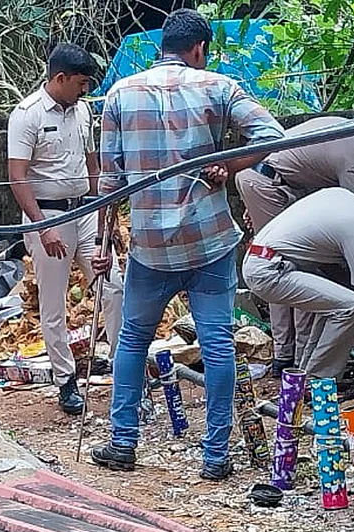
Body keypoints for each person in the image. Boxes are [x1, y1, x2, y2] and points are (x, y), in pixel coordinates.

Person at [93, 9, 285, 479]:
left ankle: (123, 442)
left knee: (133, 340)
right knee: (218, 344)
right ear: (198, 49)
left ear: (163, 45)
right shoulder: (218, 87)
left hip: (150, 245)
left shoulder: (119, 94)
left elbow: (109, 181)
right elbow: (272, 134)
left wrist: (105, 241)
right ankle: (215, 456)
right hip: (210, 239)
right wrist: (234, 166)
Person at [236, 120, 354, 376]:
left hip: (265, 246)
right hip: (269, 256)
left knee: (328, 294)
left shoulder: (344, 197)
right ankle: (310, 376)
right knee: (353, 305)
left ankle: (301, 368)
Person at [7, 43, 123, 415]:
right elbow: (16, 177)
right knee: (53, 302)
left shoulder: (85, 111)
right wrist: (43, 227)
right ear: (60, 78)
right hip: (49, 215)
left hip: (86, 211)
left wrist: (108, 218)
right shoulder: (27, 115)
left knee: (114, 286)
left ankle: (125, 369)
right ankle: (65, 379)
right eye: (80, 83)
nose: (84, 90)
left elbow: (95, 167)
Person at [242, 188, 354, 386]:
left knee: (340, 301)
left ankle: (304, 376)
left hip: (261, 260)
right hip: (270, 270)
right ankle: (317, 382)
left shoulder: (342, 197)